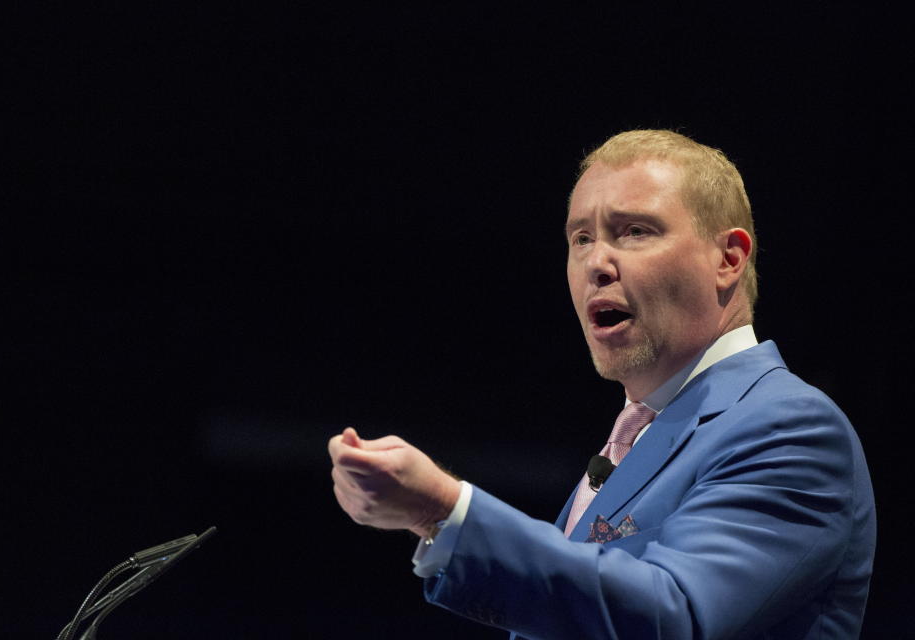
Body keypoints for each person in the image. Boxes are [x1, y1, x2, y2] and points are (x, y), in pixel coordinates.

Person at [328, 130, 875, 639]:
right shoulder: (639, 434)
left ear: (728, 258)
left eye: (635, 231)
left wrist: (445, 509)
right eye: (581, 238)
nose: (597, 263)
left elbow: (675, 615)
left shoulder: (790, 428)